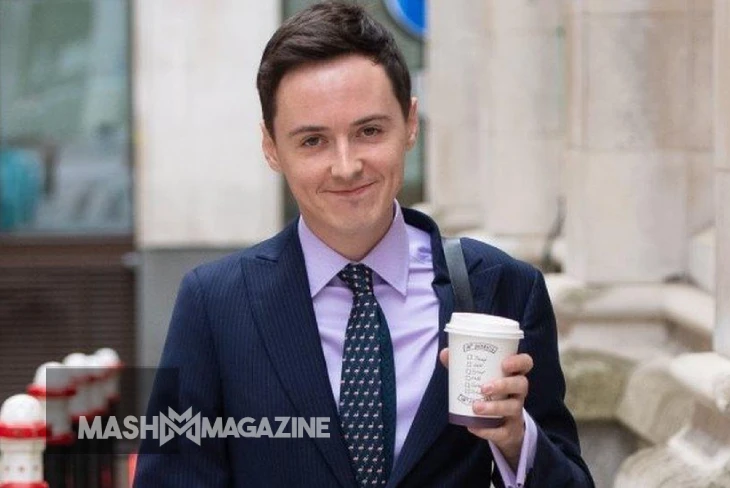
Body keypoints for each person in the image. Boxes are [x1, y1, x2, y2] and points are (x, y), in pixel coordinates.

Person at [134, 2, 594, 487]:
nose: (347, 165)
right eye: (313, 141)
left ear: (411, 123)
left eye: (369, 131)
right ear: (271, 147)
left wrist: (517, 439)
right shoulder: (214, 305)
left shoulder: (505, 289)